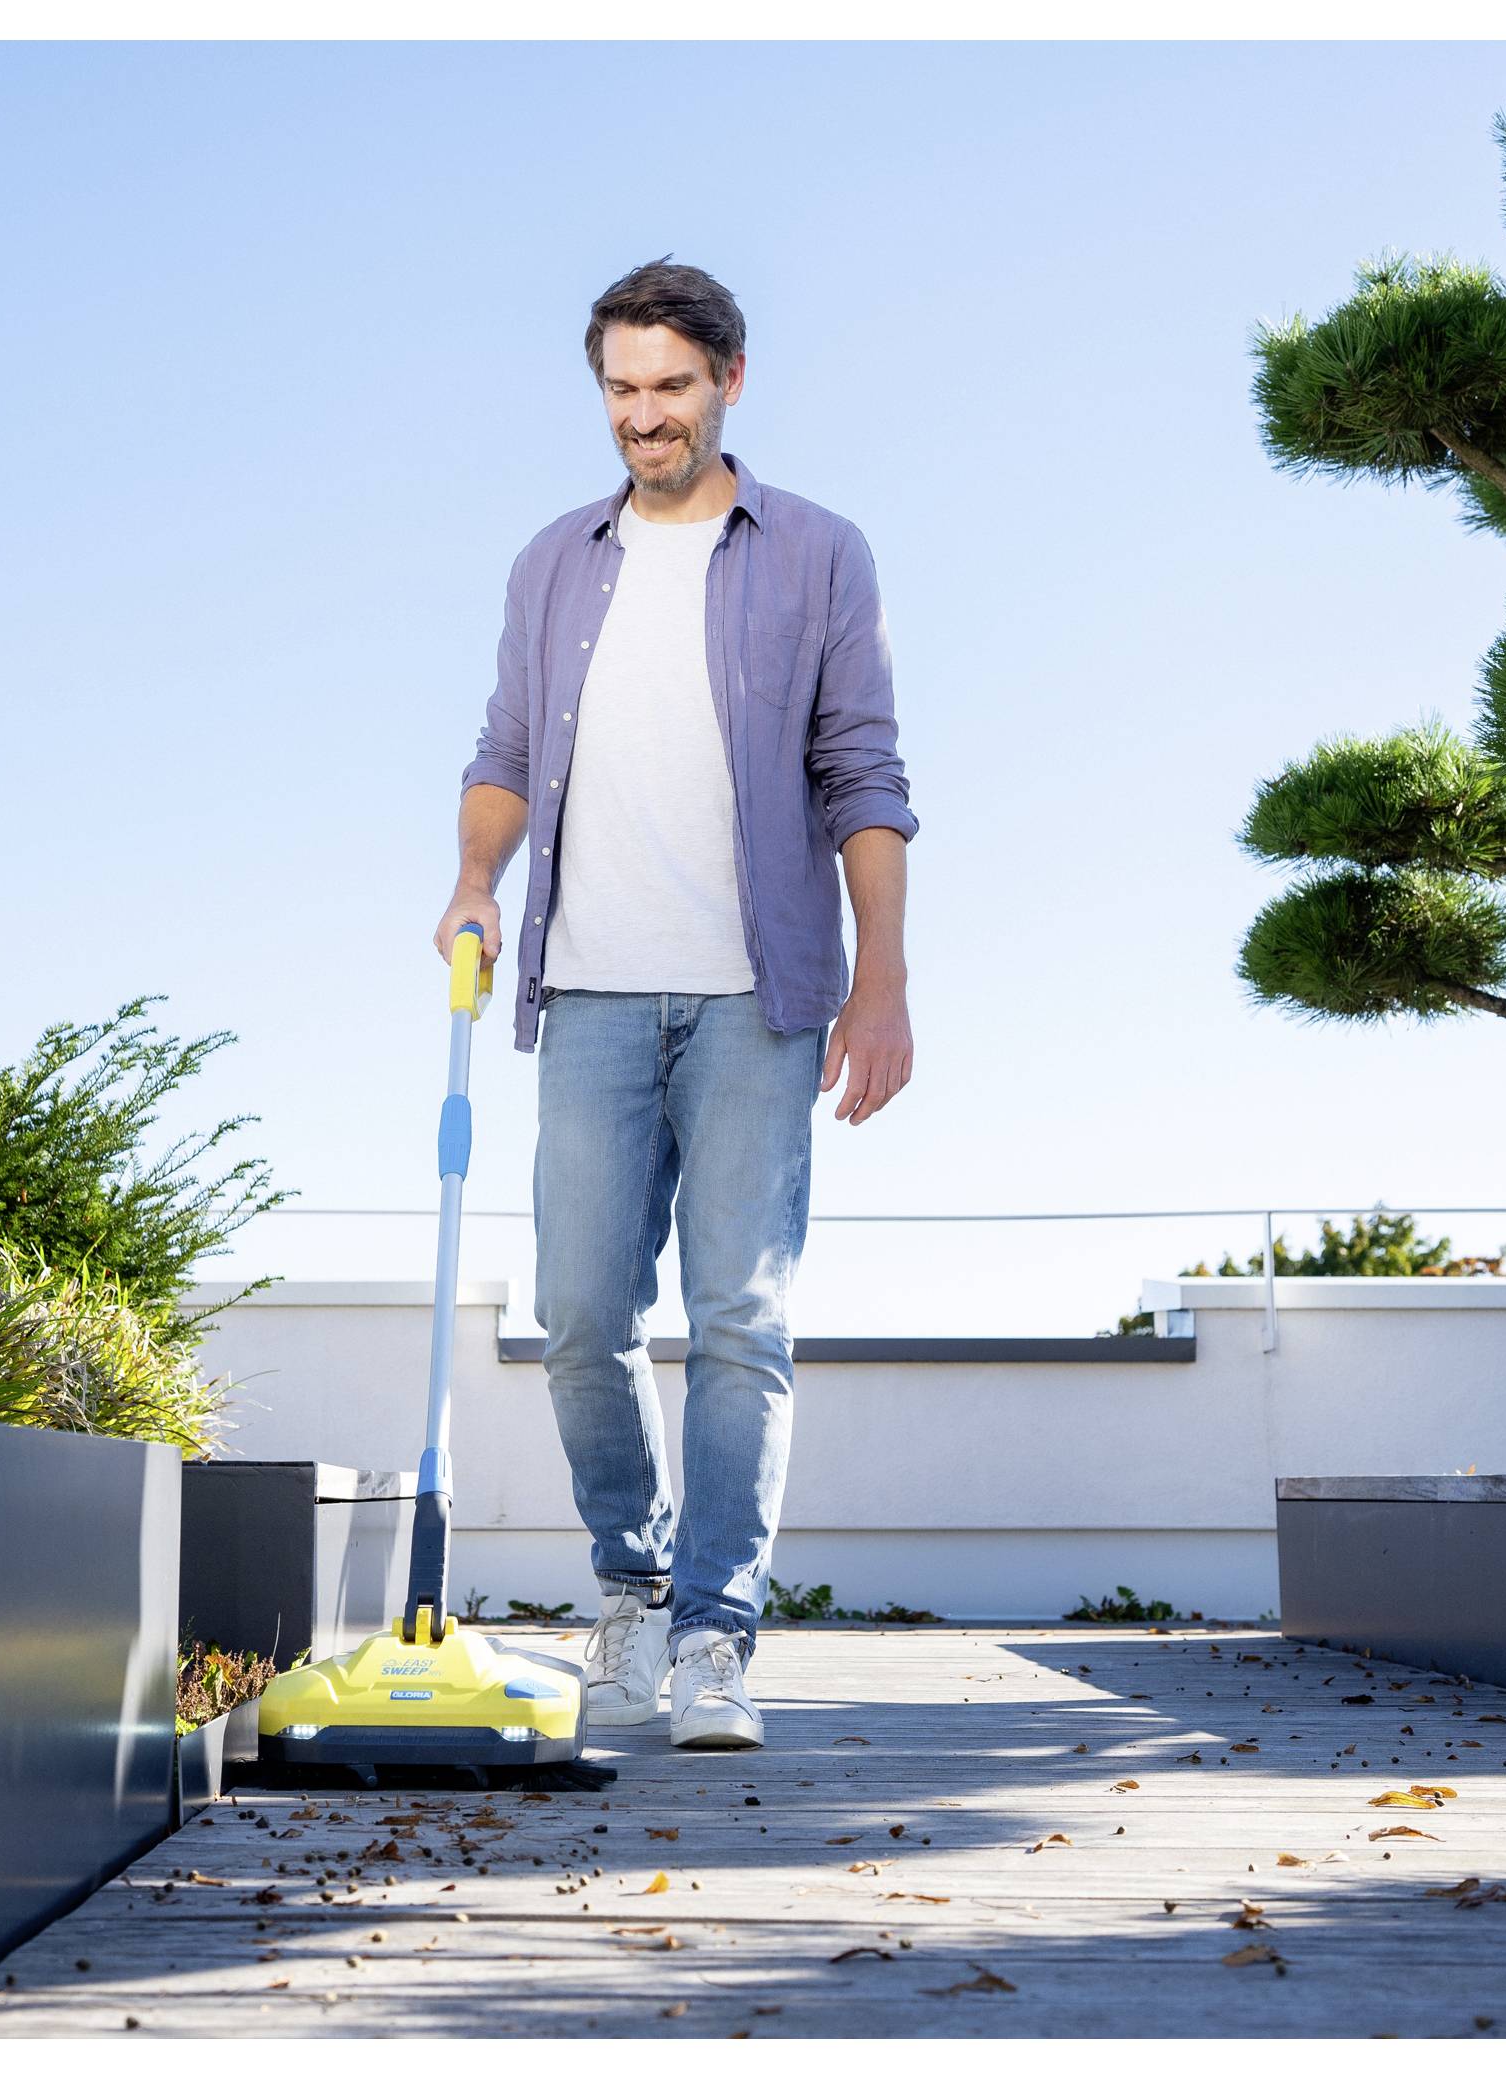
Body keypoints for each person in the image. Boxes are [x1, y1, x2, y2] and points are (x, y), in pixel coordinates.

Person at [435, 258, 916, 1750]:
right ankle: (631, 1586)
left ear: (730, 382)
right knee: (581, 1312)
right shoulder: (553, 564)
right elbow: (507, 749)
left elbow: (864, 773)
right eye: (622, 392)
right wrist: (473, 882)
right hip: (584, 988)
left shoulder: (818, 554)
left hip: (758, 993)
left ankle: (715, 1634)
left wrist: (884, 976)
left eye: (670, 389)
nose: (644, 419)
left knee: (741, 1319)